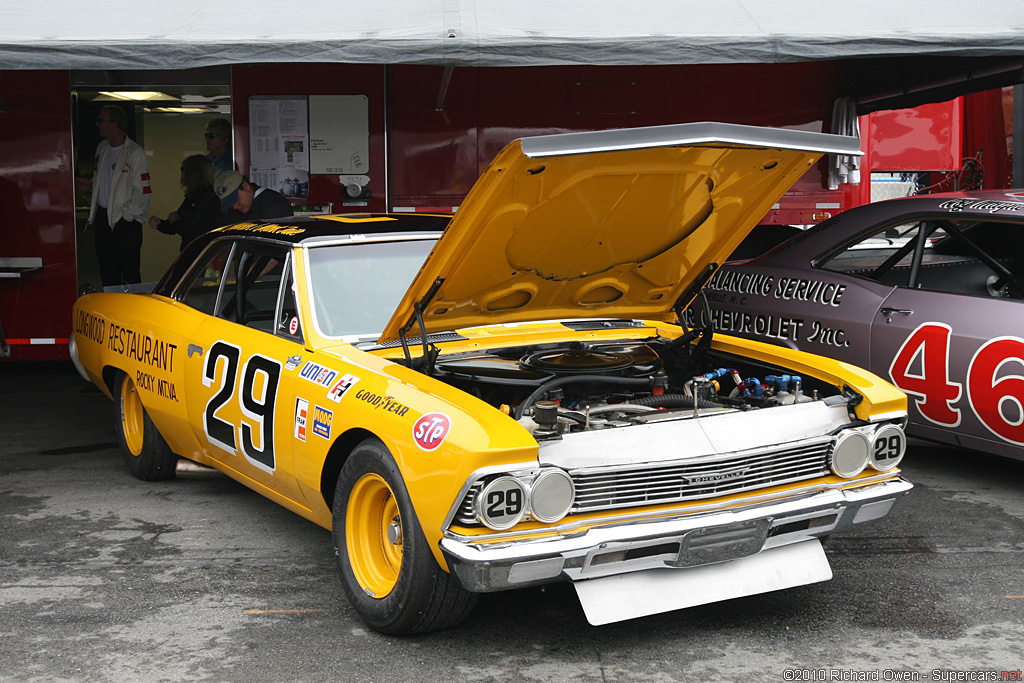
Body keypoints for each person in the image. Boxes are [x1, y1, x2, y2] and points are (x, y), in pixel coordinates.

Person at [86, 105, 151, 287]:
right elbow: (109, 183)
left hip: (125, 222)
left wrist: (126, 217)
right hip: (103, 218)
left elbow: (143, 191)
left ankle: (132, 312)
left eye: (101, 121)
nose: (97, 124)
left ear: (114, 124)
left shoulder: (135, 153)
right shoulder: (102, 148)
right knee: (107, 271)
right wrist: (91, 186)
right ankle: (111, 310)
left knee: (129, 273)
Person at [148, 155, 221, 251]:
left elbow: (189, 229)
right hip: (192, 251)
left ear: (192, 173)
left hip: (203, 252)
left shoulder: (209, 197)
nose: (181, 173)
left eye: (183, 169)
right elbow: (176, 226)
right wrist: (160, 223)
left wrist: (175, 221)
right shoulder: (194, 196)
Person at [216, 170, 293, 223]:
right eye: (230, 204)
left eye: (236, 200)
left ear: (245, 185)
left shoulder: (277, 206)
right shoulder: (233, 212)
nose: (235, 206)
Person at [204, 118, 235, 211]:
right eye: (206, 135)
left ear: (224, 140)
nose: (207, 139)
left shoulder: (230, 164)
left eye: (211, 136)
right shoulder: (206, 161)